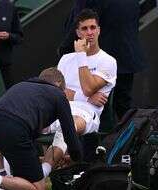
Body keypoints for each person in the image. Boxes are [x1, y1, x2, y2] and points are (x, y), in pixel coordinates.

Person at [0, 67, 83, 190]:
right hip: (14, 129)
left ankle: (2, 180)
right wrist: (75, 157)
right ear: (59, 84)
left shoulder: (22, 85)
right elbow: (69, 132)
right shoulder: (59, 95)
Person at [41, 9, 117, 178]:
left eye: (92, 27)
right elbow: (56, 92)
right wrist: (86, 96)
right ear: (77, 32)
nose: (89, 33)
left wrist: (82, 56)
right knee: (25, 121)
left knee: (70, 124)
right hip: (58, 108)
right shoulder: (66, 59)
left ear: (99, 30)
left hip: (86, 114)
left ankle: (43, 172)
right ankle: (7, 176)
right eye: (84, 29)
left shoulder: (108, 61)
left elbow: (89, 88)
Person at [58, 0, 147, 119]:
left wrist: (66, 50)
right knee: (122, 107)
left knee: (96, 109)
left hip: (100, 60)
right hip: (126, 56)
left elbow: (81, 22)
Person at [99, 0, 147, 119]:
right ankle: (128, 134)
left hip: (104, 57)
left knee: (101, 104)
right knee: (123, 103)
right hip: (126, 55)